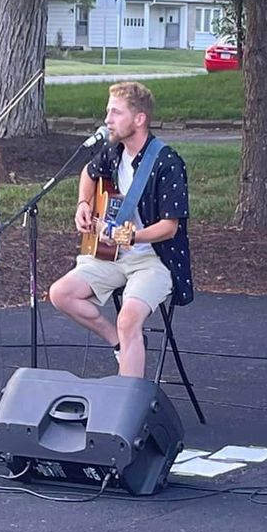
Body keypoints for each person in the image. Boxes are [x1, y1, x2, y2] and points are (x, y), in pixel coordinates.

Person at [49, 81, 192, 377]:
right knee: (61, 294)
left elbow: (170, 227)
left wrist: (134, 236)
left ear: (139, 119)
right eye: (107, 111)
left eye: (116, 112)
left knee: (129, 320)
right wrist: (82, 205)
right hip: (113, 255)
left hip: (154, 260)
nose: (107, 119)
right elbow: (88, 174)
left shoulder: (167, 162)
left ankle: (128, 408)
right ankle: (116, 341)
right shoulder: (113, 151)